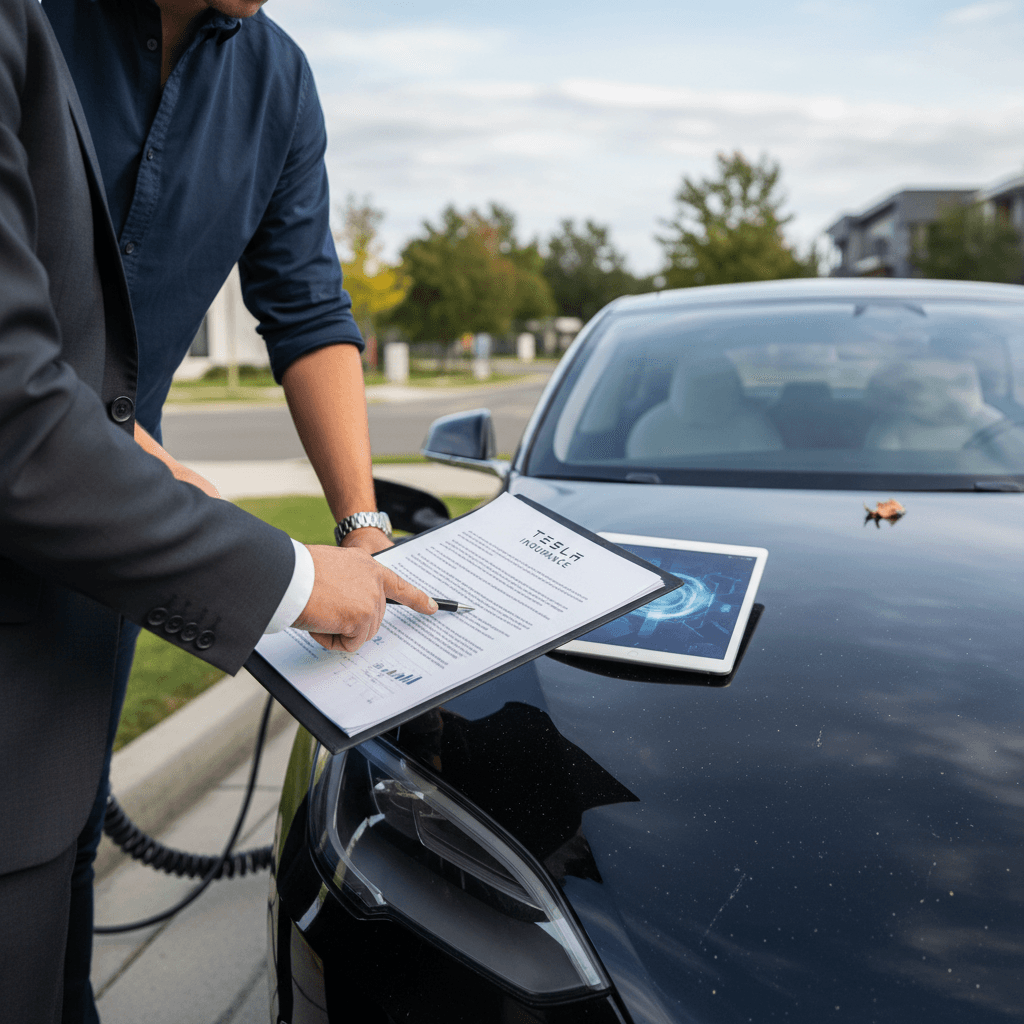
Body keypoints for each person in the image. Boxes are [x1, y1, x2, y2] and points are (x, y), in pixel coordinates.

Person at [0, 3, 434, 1018]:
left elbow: (309, 304)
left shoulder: (278, 81)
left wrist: (361, 528)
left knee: (57, 848)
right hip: (56, 476)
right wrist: (272, 571)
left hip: (125, 542)